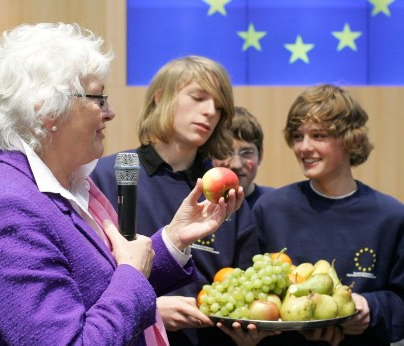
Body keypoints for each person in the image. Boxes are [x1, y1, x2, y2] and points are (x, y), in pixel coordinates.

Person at [0, 23, 245, 346]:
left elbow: (102, 286)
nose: (109, 113)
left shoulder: (62, 184)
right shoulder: (9, 210)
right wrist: (133, 274)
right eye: (99, 99)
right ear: (46, 110)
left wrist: (174, 238)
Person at [91, 56, 272, 345]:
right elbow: (87, 280)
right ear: (162, 98)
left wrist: (250, 331)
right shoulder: (110, 174)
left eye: (219, 106)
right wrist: (150, 309)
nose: (210, 111)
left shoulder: (225, 189)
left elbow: (245, 284)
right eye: (199, 97)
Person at [252, 84, 404, 345]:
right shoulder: (271, 209)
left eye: (318, 136)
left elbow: (400, 301)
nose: (304, 148)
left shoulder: (390, 216)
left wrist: (369, 308)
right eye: (298, 136)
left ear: (352, 139)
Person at [212, 106, 274, 208]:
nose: (236, 164)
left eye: (246, 152)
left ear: (261, 154)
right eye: (226, 152)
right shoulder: (196, 206)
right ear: (211, 154)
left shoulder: (275, 205)